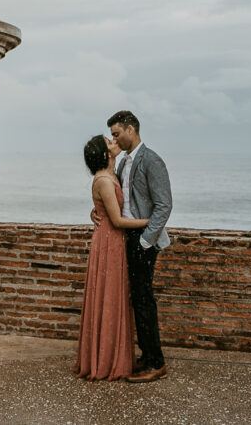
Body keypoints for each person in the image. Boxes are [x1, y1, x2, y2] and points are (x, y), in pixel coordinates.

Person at [102, 110, 173, 383]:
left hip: (144, 240)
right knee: (136, 299)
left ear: (131, 129)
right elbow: (118, 198)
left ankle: (156, 362)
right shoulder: (122, 163)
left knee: (144, 300)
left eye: (117, 133)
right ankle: (146, 355)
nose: (114, 139)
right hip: (127, 237)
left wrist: (145, 241)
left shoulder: (152, 160)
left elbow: (164, 205)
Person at [73, 134, 149, 381]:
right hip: (109, 241)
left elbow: (104, 209)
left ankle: (111, 355)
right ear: (105, 154)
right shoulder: (105, 180)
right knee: (109, 295)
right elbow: (116, 220)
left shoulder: (110, 174)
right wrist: (151, 222)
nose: (114, 142)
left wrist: (95, 212)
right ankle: (106, 360)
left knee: (112, 295)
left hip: (111, 240)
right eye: (109, 143)